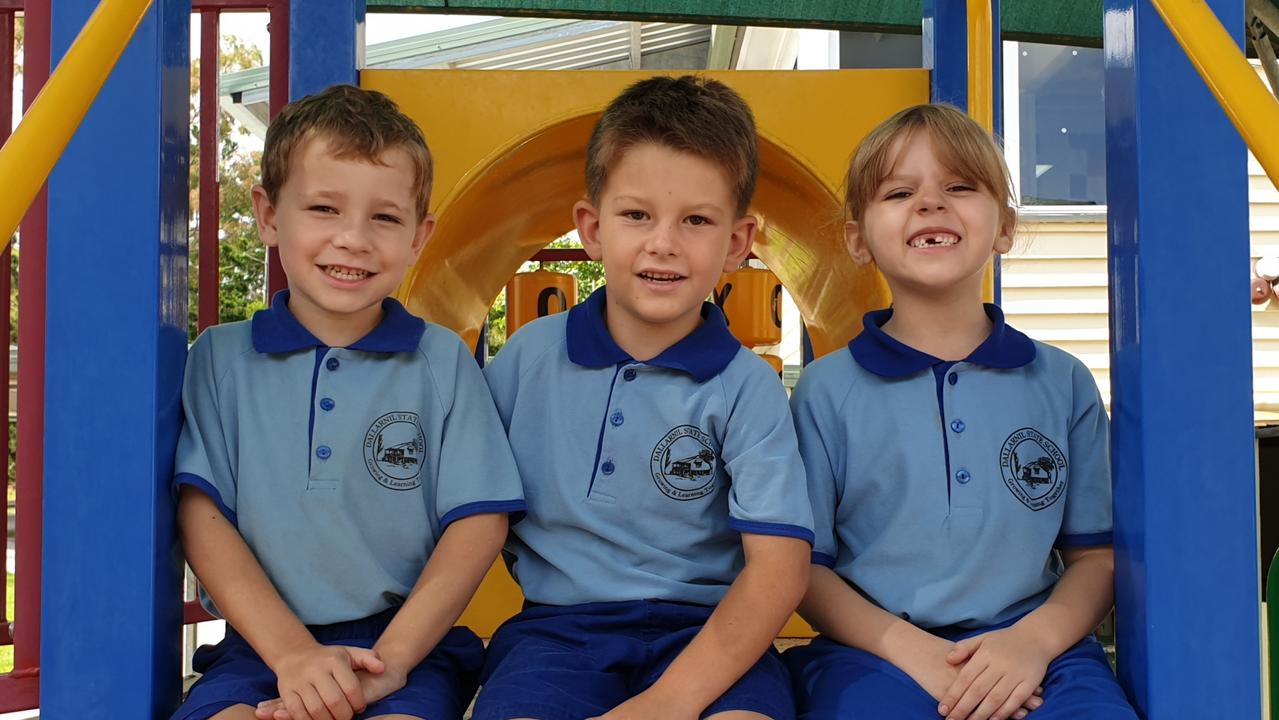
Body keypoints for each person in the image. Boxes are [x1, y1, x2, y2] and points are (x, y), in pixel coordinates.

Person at [171, 84, 525, 720]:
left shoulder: (442, 361)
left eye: (385, 218)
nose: (354, 239)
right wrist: (292, 656)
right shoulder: (220, 359)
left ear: (420, 236)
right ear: (270, 213)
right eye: (325, 209)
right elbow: (203, 515)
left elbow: (477, 524)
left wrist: (391, 663)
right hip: (263, 645)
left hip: (408, 645)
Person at [472, 75, 813, 720]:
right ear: (591, 228)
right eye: (636, 215)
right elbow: (466, 509)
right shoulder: (527, 360)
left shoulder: (745, 387)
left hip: (708, 631)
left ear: (737, 244)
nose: (664, 242)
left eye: (697, 221)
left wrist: (664, 705)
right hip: (558, 630)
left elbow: (778, 570)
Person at [784, 103, 1137, 720]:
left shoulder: (1061, 382)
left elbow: (1096, 557)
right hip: (875, 654)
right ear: (856, 238)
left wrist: (1032, 641)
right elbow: (805, 571)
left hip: (1040, 652)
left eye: (959, 186)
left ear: (1003, 227)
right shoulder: (824, 391)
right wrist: (913, 653)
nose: (930, 204)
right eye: (899, 191)